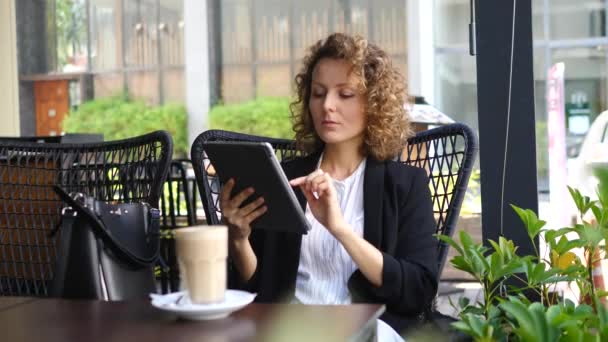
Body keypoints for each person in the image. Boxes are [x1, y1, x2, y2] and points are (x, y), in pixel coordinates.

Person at [219, 32, 438, 339]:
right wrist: (240, 240)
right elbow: (258, 290)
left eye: (345, 94)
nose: (327, 106)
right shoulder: (285, 179)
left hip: (368, 331)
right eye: (318, 93)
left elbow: (418, 289)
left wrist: (340, 229)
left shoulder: (403, 185)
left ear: (373, 104)